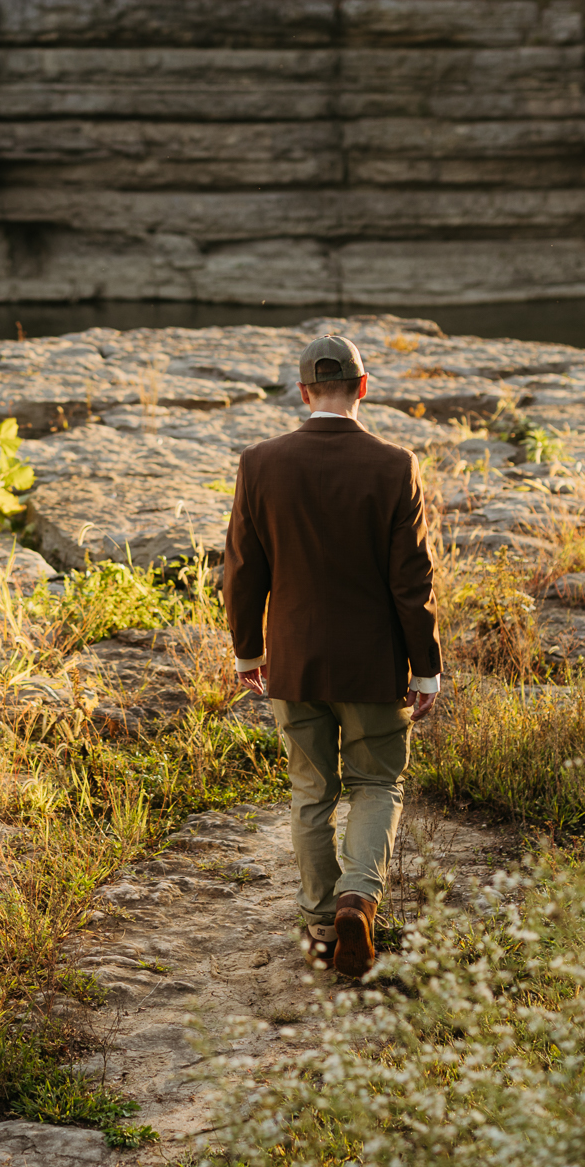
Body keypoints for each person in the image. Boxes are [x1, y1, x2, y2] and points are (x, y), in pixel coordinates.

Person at [222, 335, 441, 979]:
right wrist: (424, 665)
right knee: (377, 782)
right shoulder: (394, 464)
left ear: (304, 391)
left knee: (311, 791)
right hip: (374, 665)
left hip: (292, 660)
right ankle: (358, 899)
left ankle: (319, 925)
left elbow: (241, 570)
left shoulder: (260, 463)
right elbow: (412, 580)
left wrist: (247, 651)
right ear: (363, 387)